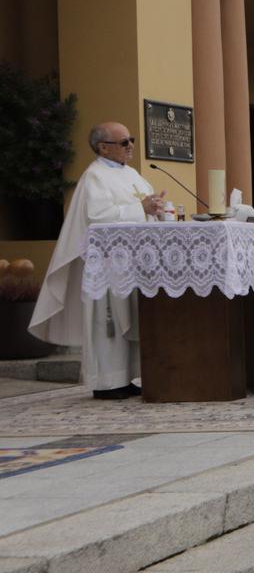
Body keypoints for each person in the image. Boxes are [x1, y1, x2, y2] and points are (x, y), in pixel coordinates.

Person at [29, 121, 165, 398]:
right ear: (103, 147)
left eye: (132, 140)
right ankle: (106, 382)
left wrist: (157, 208)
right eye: (124, 142)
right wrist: (141, 208)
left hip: (132, 263)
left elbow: (144, 209)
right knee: (108, 324)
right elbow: (98, 216)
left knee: (132, 320)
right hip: (106, 266)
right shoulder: (95, 176)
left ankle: (127, 378)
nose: (131, 147)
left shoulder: (134, 175)